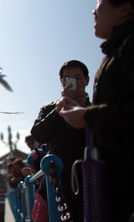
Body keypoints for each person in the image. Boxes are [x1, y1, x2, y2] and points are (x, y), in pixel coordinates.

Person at [58, 0, 134, 222]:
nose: (94, 10)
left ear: (124, 9)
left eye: (100, 1)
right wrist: (81, 110)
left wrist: (87, 116)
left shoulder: (133, 44)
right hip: (112, 182)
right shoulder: (116, 51)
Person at [31, 59, 91, 221]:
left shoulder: (95, 110)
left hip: (88, 182)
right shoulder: (49, 108)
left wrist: (84, 108)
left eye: (78, 78)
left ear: (87, 80)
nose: (74, 82)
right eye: (68, 78)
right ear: (61, 81)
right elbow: (38, 134)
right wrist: (59, 109)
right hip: (54, 182)